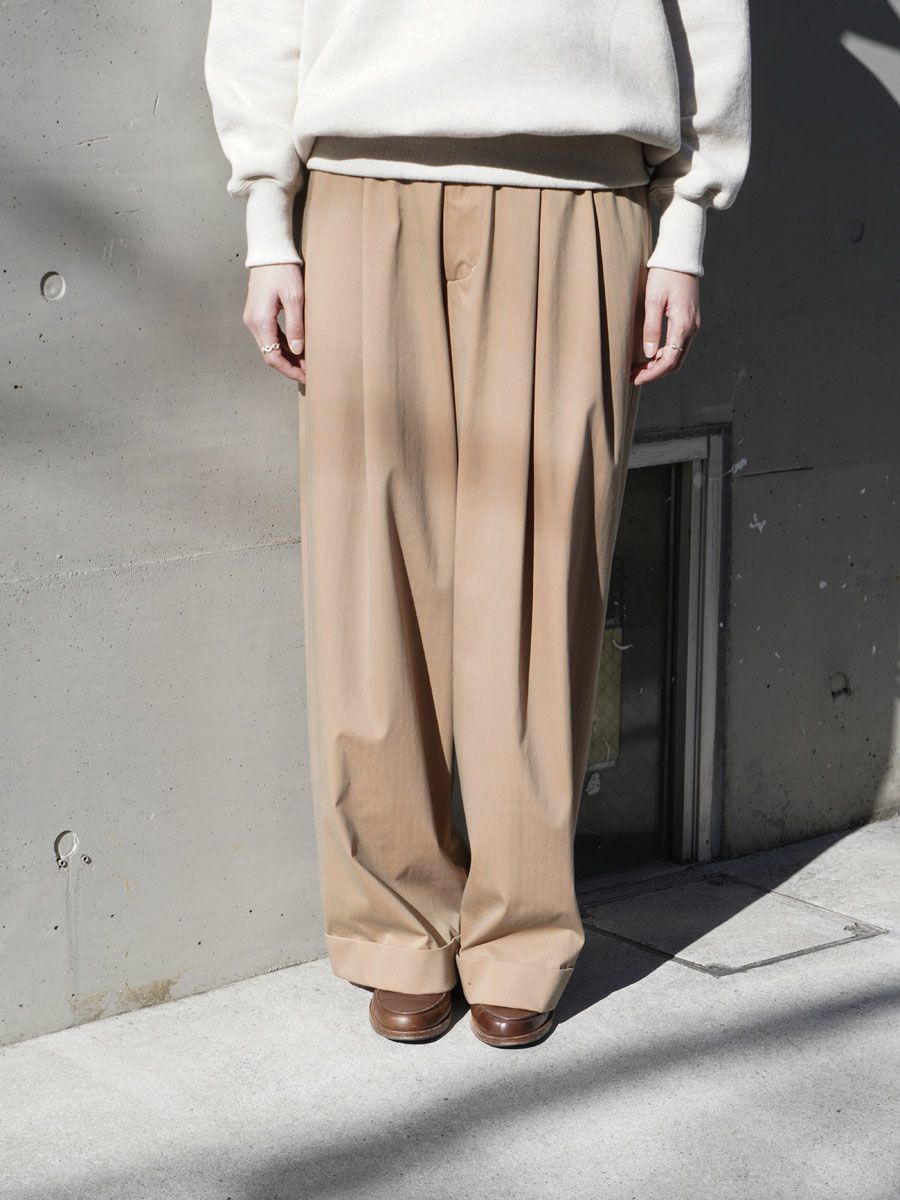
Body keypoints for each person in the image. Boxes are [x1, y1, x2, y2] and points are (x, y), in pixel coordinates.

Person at [203, 0, 751, 1048]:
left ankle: (521, 938)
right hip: (363, 184)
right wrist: (268, 224)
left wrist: (683, 231)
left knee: (543, 576)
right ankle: (395, 931)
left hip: (581, 192)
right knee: (368, 579)